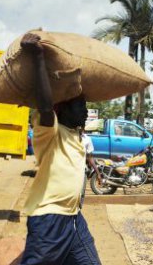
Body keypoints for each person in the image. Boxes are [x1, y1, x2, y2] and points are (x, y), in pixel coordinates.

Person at [20, 33, 101, 265]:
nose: (85, 112)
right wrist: (38, 59)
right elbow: (45, 107)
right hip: (49, 220)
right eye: (80, 106)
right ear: (62, 109)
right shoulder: (51, 132)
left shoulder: (77, 135)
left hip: (75, 219)